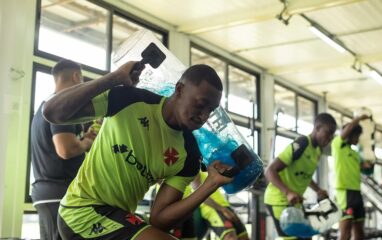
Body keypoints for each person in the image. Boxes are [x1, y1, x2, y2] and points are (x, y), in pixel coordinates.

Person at [43, 62, 234, 239]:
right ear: (180, 89)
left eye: (211, 110)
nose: (204, 116)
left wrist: (210, 184)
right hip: (81, 211)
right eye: (200, 105)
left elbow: (159, 220)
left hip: (118, 218)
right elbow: (52, 112)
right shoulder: (128, 100)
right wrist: (114, 78)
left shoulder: (189, 154)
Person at [30, 59, 96, 240]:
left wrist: (82, 139)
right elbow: (65, 149)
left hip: (47, 194)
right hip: (59, 194)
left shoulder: (45, 106)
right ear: (76, 77)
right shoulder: (62, 106)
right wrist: (87, 144)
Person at [264, 113, 337, 239]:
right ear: (317, 128)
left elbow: (305, 175)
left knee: (306, 237)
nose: (330, 137)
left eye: (333, 134)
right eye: (328, 132)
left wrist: (318, 190)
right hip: (279, 199)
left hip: (294, 202)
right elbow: (270, 171)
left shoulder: (318, 151)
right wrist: (288, 192)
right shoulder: (302, 144)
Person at [331, 115, 370, 240]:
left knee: (360, 232)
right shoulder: (338, 146)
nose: (358, 139)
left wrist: (368, 165)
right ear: (349, 134)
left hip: (357, 192)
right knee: (345, 232)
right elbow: (348, 129)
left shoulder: (355, 153)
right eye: (357, 136)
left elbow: (365, 168)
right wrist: (359, 118)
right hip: (344, 192)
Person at [193, 171, 249, 240]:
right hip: (212, 208)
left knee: (244, 237)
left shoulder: (208, 170)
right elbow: (199, 194)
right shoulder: (195, 170)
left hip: (225, 206)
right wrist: (222, 209)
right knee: (230, 237)